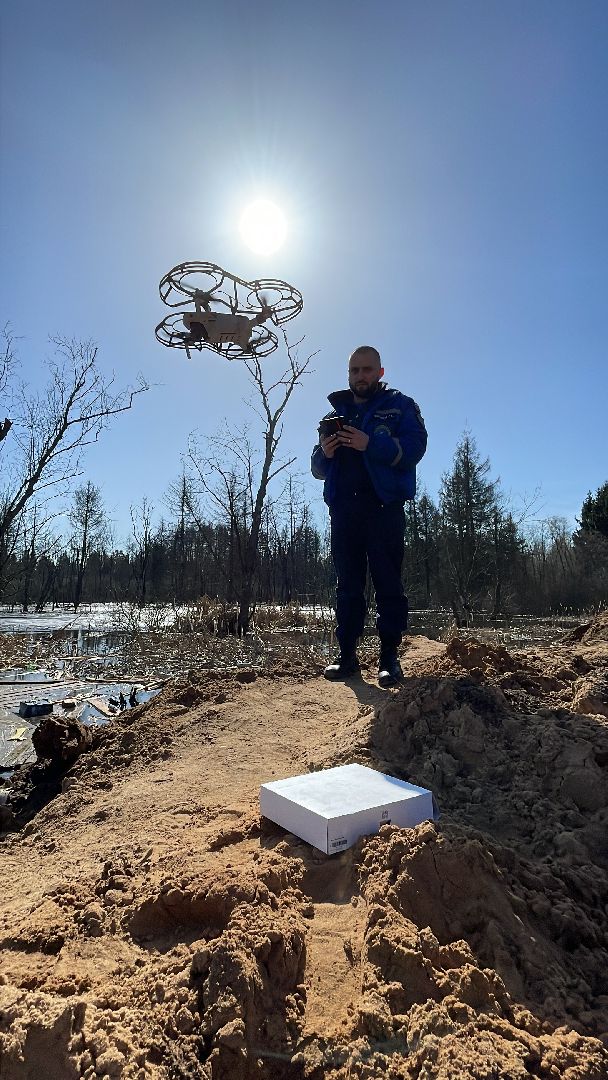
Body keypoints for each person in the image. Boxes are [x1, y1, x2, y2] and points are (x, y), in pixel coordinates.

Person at [311, 345, 427, 686]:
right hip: (344, 510)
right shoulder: (336, 413)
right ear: (348, 374)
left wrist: (369, 444)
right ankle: (347, 656)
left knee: (388, 582)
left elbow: (415, 449)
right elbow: (317, 468)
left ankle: (389, 658)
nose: (360, 376)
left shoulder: (400, 406)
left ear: (380, 372)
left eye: (366, 369)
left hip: (383, 508)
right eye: (354, 370)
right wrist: (325, 453)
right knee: (347, 585)